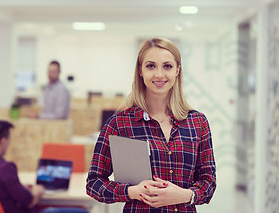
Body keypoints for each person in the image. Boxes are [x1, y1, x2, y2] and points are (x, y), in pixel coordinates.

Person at [86, 38, 216, 212]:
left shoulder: (197, 123)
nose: (159, 74)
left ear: (178, 70)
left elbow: (208, 182)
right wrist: (132, 192)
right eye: (151, 66)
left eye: (167, 66)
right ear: (140, 70)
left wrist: (185, 195)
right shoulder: (119, 124)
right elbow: (94, 183)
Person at [0, 120, 89, 213]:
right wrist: (36, 191)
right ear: (3, 141)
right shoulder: (4, 168)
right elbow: (29, 201)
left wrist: (18, 186)